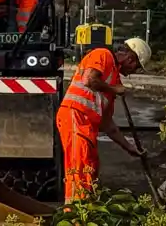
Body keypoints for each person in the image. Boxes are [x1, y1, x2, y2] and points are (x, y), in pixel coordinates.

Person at [57, 38, 152, 203]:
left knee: (91, 168)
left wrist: (130, 148)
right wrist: (114, 89)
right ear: (131, 58)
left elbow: (108, 125)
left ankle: (86, 209)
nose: (134, 72)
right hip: (76, 116)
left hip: (87, 126)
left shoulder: (115, 78)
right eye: (136, 67)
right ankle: (74, 214)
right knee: (80, 169)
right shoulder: (103, 55)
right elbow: (89, 79)